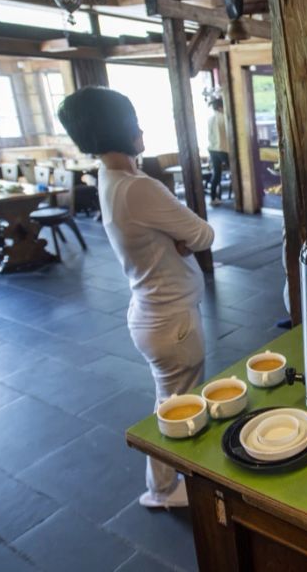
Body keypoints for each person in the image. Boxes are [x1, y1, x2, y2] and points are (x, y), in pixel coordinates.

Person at [59, 87, 215, 509]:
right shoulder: (138, 188)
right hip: (171, 321)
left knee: (170, 399)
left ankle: (163, 483)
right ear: (121, 129)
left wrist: (177, 239)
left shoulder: (111, 180)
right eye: (133, 120)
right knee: (177, 405)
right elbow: (203, 234)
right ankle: (162, 489)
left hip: (153, 312)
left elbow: (183, 237)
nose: (141, 128)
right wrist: (181, 239)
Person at [207, 98, 229, 206]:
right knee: (237, 171)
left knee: (216, 174)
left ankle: (213, 198)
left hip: (212, 149)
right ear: (221, 107)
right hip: (223, 149)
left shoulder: (210, 119)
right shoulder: (225, 118)